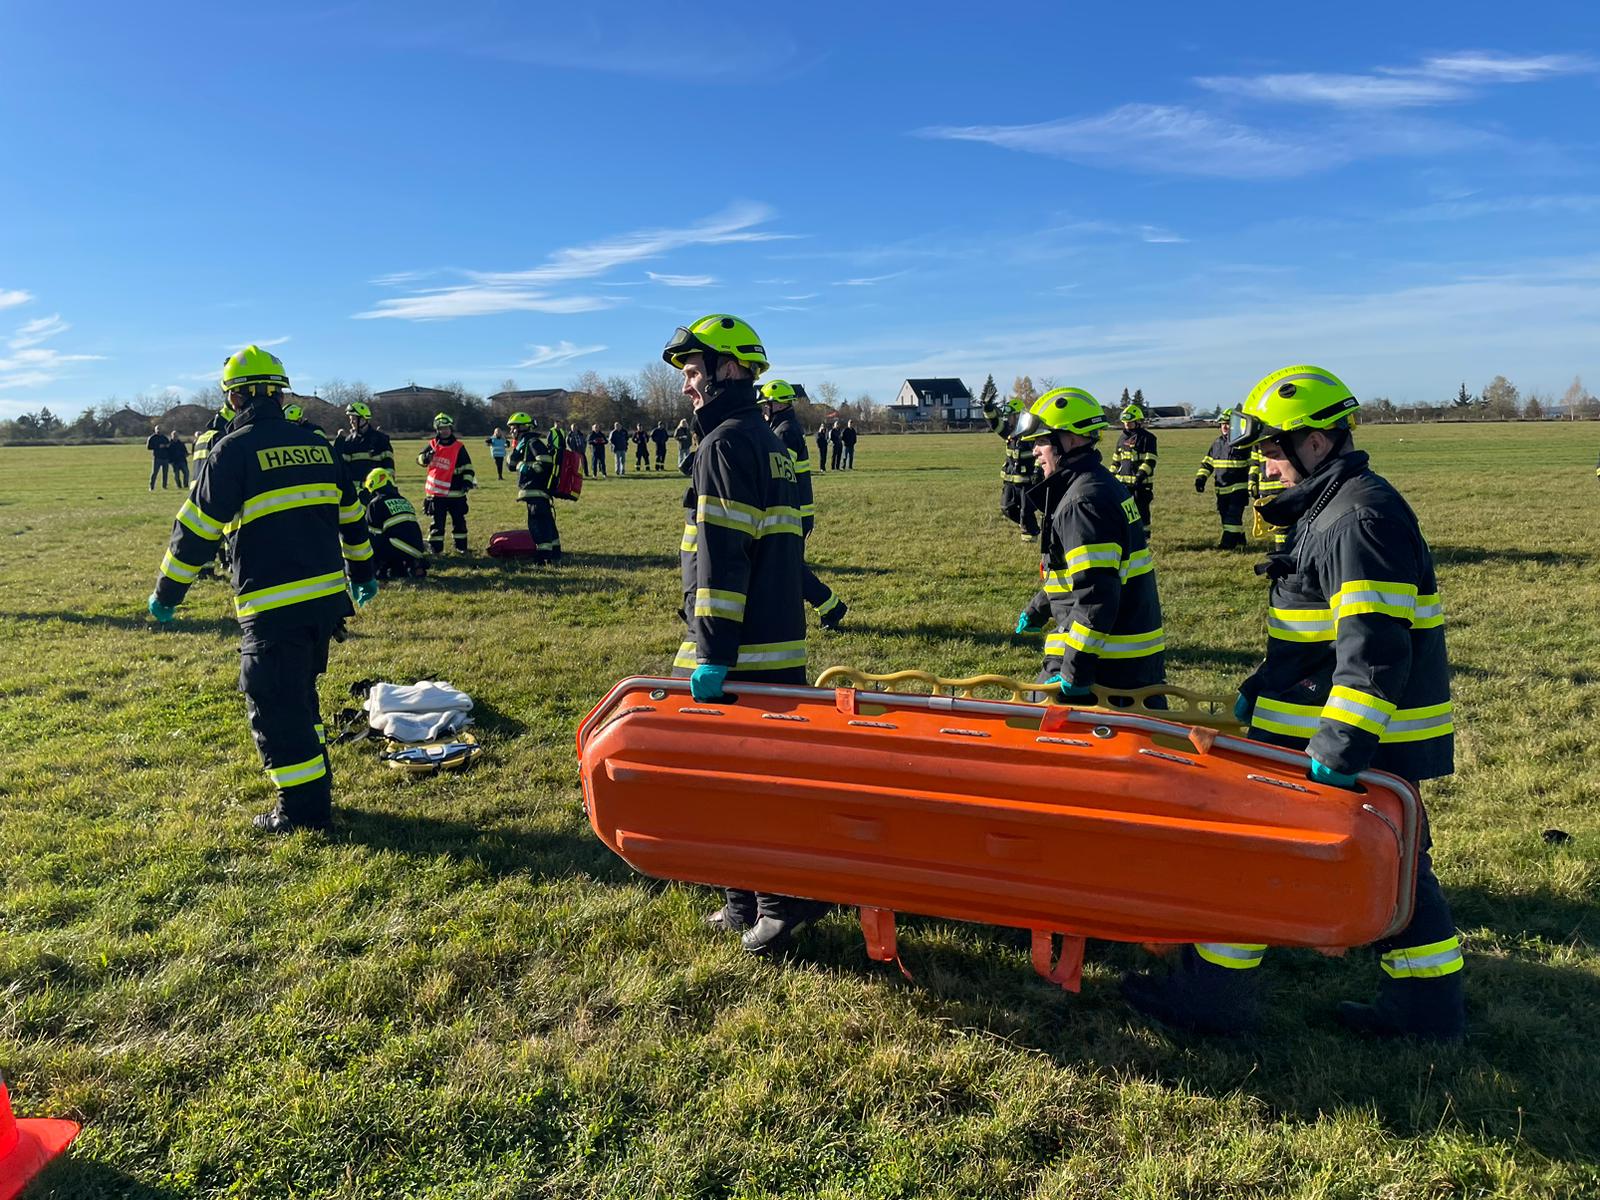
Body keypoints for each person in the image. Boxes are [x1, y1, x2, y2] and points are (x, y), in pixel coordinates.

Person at [1122, 365, 1464, 1042]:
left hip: (1347, 741)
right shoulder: (1333, 509)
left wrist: (1337, 752)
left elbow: (1374, 652)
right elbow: (1315, 642)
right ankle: (1426, 1010)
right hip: (1339, 733)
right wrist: (1260, 688)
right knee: (1398, 867)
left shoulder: (1356, 519)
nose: (1266, 466)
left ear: (1316, 441)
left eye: (1274, 450)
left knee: (1255, 855)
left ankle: (1212, 1002)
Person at [146, 345, 377, 834]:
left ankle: (303, 813)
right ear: (280, 394)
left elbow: (195, 532)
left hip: (273, 605)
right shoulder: (319, 446)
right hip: (325, 603)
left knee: (276, 705)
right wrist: (362, 574)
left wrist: (167, 595)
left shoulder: (232, 451)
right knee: (300, 699)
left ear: (233, 398)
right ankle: (316, 793)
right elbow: (354, 517)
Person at [663, 313, 821, 956]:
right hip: (772, 641)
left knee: (744, 784)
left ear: (729, 369)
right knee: (738, 779)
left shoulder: (725, 444)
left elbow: (724, 558)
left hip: (741, 653)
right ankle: (741, 901)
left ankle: (781, 905)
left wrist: (713, 653)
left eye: (692, 371)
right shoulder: (761, 439)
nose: (685, 385)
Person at [1012, 387, 1166, 707]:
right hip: (1123, 663)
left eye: (1042, 441)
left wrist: (1075, 672)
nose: (1035, 451)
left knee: (1031, 727)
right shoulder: (1096, 485)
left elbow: (1096, 596)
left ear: (1071, 439)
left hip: (1105, 670)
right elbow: (1078, 575)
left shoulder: (1083, 502)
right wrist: (1039, 608)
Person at [761, 379, 847, 630]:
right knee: (786, 567)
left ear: (778, 405)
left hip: (791, 513)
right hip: (796, 512)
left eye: (766, 405)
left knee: (789, 568)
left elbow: (779, 475)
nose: (763, 410)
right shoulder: (786, 427)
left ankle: (831, 607)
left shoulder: (784, 432)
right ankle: (824, 607)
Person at [506, 412, 562, 564]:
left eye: (513, 427)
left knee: (538, 525)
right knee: (547, 522)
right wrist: (515, 455)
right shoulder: (524, 444)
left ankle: (544, 557)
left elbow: (545, 464)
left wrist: (524, 467)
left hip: (536, 490)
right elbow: (510, 465)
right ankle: (555, 554)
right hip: (533, 491)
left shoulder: (533, 443)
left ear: (523, 427)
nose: (511, 431)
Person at [983, 395, 1042, 538]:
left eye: (1010, 416)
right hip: (1010, 480)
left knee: (1026, 511)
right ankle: (1031, 528)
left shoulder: (1031, 433)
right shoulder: (1008, 432)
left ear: (1018, 415)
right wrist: (988, 407)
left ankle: (1030, 536)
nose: (1007, 419)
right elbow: (995, 423)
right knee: (1006, 508)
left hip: (1027, 480)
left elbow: (1040, 452)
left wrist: (1037, 470)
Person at [417, 413, 476, 554]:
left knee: (459, 522)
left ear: (451, 429)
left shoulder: (459, 447)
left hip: (456, 491)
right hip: (437, 494)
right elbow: (419, 460)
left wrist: (467, 481)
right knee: (437, 523)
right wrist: (426, 457)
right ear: (437, 430)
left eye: (447, 428)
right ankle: (435, 549)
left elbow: (468, 467)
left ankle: (461, 547)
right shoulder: (432, 445)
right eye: (442, 428)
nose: (445, 431)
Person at [1194, 409, 1250, 549]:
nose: (1224, 426)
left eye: (1228, 423)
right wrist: (1201, 478)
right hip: (1221, 489)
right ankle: (1240, 540)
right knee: (1226, 517)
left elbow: (1254, 464)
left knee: (1232, 516)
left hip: (1239, 488)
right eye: (1222, 424)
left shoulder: (1244, 443)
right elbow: (1208, 463)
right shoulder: (1217, 443)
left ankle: (1227, 545)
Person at [361, 467, 427, 579]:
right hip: (417, 549)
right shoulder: (404, 500)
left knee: (372, 538)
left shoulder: (375, 503)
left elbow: (373, 537)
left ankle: (389, 568)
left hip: (397, 547)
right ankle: (414, 564)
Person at [1110, 402, 1158, 533]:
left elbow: (1150, 460)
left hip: (1142, 484)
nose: (1127, 424)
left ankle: (1145, 538)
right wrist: (1110, 476)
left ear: (1138, 421)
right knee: (1123, 513)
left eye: (1130, 422)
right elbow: (1116, 461)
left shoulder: (1148, 438)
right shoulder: (1122, 438)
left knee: (1142, 512)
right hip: (1123, 484)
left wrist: (1140, 475)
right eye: (1125, 422)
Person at [333, 401, 395, 479]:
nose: (351, 422)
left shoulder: (380, 440)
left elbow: (389, 468)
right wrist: (338, 445)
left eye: (354, 419)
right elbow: (343, 468)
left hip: (375, 486)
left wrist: (386, 484)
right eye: (350, 419)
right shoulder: (348, 441)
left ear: (363, 420)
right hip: (355, 487)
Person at [1249, 448, 1290, 548]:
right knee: (1273, 523)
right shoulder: (1256, 445)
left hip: (1283, 488)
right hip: (1265, 490)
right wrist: (1252, 482)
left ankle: (1282, 549)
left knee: (1282, 525)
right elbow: (1254, 465)